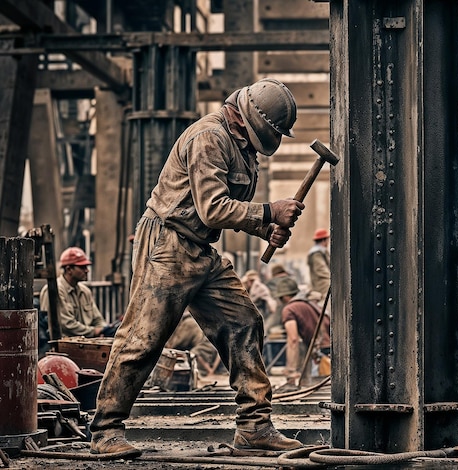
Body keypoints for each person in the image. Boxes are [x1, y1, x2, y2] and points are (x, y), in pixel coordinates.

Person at [89, 78, 305, 458]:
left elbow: (222, 214)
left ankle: (254, 427)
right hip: (168, 244)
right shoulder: (208, 137)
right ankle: (105, 431)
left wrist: (265, 227)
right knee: (144, 338)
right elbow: (213, 208)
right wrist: (270, 210)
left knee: (243, 321)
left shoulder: (243, 149)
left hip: (200, 248)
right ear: (251, 121)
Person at [39, 247, 119, 338]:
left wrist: (104, 329)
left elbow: (97, 319)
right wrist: (95, 331)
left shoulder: (85, 291)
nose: (87, 270)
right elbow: (67, 325)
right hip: (64, 344)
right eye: (82, 267)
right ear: (69, 269)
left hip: (85, 341)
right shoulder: (55, 290)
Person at [276, 277, 330, 386]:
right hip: (328, 350)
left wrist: (290, 371)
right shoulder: (309, 304)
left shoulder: (289, 309)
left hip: (321, 356)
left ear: (285, 296)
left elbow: (293, 340)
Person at [164, 310, 219, 376]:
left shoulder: (189, 322)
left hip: (204, 352)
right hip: (207, 350)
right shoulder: (189, 320)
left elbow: (176, 342)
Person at [307, 228, 331, 301]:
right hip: (322, 285)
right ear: (323, 240)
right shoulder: (316, 253)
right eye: (327, 240)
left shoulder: (321, 251)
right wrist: (332, 279)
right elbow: (321, 270)